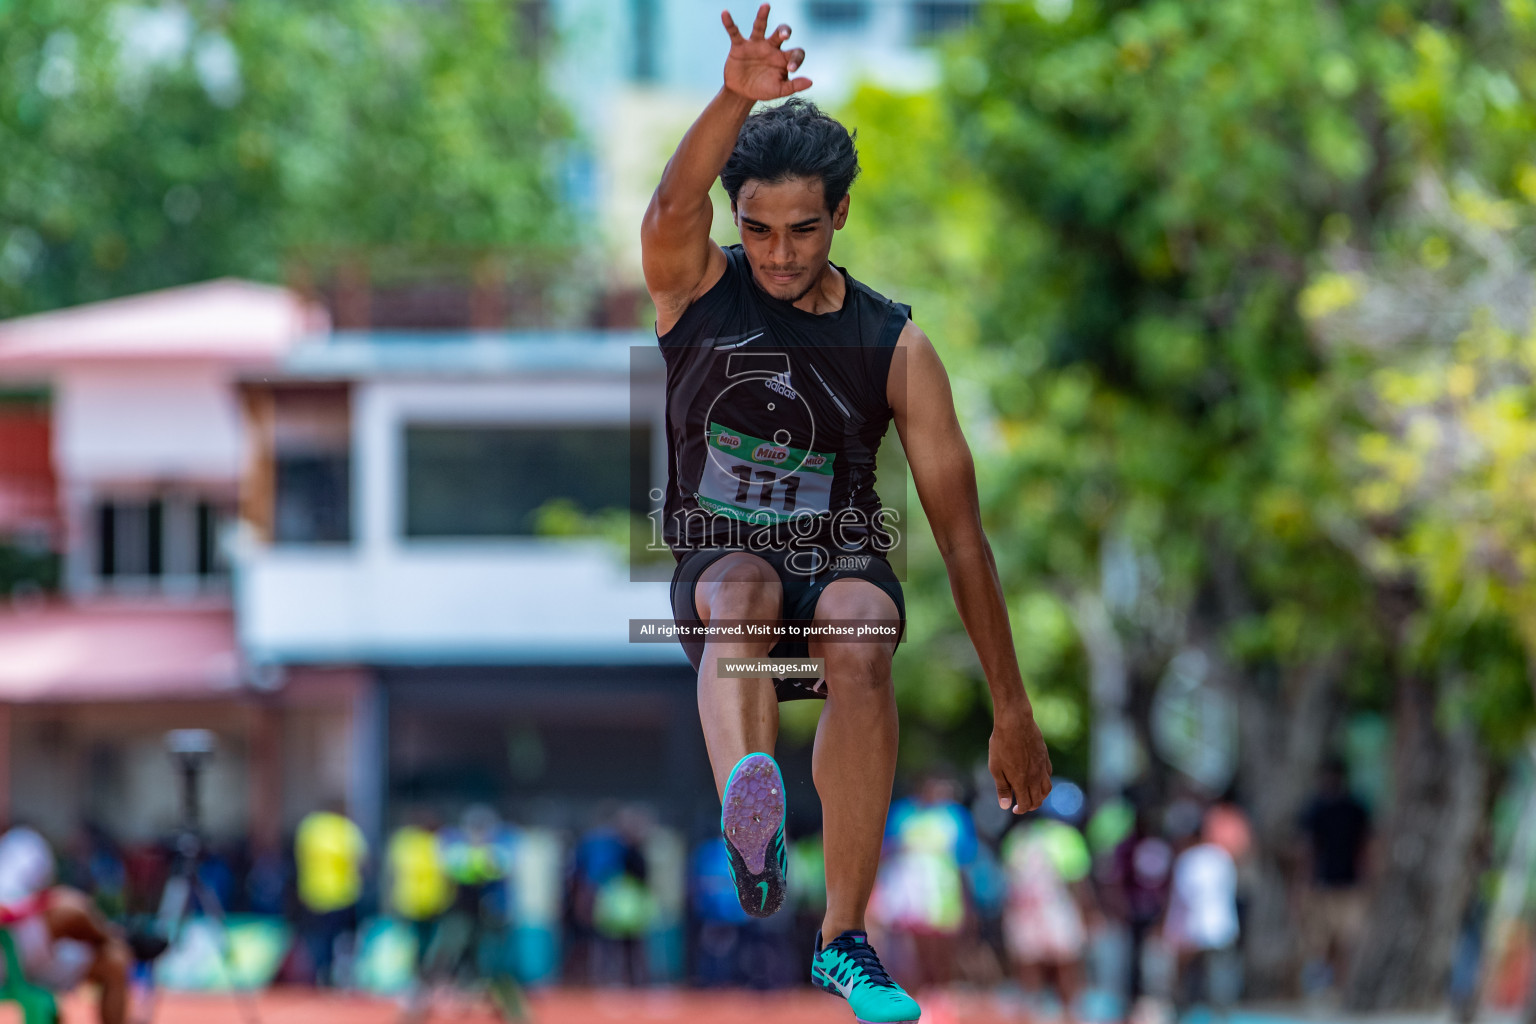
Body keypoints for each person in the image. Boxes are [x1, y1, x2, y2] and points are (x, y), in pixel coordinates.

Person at [642, 6, 1054, 1020]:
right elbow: (670, 197)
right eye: (759, 229)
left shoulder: (895, 346)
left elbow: (962, 537)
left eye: (804, 229)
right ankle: (754, 807)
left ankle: (845, 939)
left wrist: (1013, 706)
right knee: (740, 585)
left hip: (839, 564)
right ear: (736, 219)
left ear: (841, 218)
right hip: (728, 565)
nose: (780, 254)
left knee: (862, 636)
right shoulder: (695, 288)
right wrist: (736, 94)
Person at [0, 826, 134, 1024]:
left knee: (114, 959)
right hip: (9, 958)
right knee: (69, 909)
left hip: (30, 955)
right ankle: (116, 937)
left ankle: (113, 939)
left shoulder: (22, 846)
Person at [1002, 816, 1091, 1024]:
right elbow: (1078, 881)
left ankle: (1054, 1016)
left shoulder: (1020, 837)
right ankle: (1051, 1016)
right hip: (1041, 910)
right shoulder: (1061, 836)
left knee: (1047, 967)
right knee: (1052, 967)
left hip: (1041, 909)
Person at [1298, 758, 1371, 994]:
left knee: (1347, 940)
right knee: (1321, 941)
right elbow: (1309, 849)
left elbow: (1367, 846)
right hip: (1324, 884)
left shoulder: (1355, 808)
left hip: (1348, 885)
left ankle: (1343, 986)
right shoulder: (1316, 809)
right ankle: (1325, 987)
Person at [294, 801, 368, 987]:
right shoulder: (346, 829)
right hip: (342, 895)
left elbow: (299, 857)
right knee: (343, 940)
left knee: (318, 939)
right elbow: (361, 860)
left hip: (313, 894)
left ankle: (321, 976)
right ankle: (342, 977)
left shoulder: (309, 827)